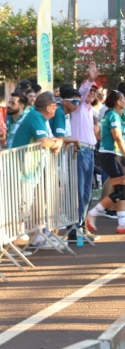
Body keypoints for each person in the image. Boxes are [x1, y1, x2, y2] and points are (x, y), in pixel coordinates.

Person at [86, 90, 125, 234]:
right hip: (109, 155)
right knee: (120, 190)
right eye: (123, 98)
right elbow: (117, 137)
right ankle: (93, 214)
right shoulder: (113, 115)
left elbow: (100, 135)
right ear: (118, 102)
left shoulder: (112, 114)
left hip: (109, 154)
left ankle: (122, 224)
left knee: (121, 189)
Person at [72, 64, 101, 227]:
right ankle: (76, 228)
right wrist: (90, 79)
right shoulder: (79, 106)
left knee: (87, 192)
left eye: (94, 90)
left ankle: (80, 226)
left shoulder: (90, 110)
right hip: (81, 150)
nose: (92, 92)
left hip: (90, 152)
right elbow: (82, 93)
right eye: (90, 89)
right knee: (80, 190)